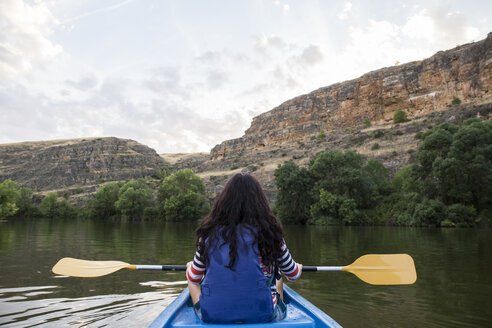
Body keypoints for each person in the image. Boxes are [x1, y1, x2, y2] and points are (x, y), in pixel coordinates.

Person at [186, 173, 302, 324]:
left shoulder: (208, 234)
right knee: (278, 280)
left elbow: (194, 278)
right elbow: (293, 275)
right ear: (260, 202)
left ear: (224, 202)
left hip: (214, 316)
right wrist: (298, 267)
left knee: (191, 276)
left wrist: (190, 267)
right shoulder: (272, 235)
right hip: (262, 315)